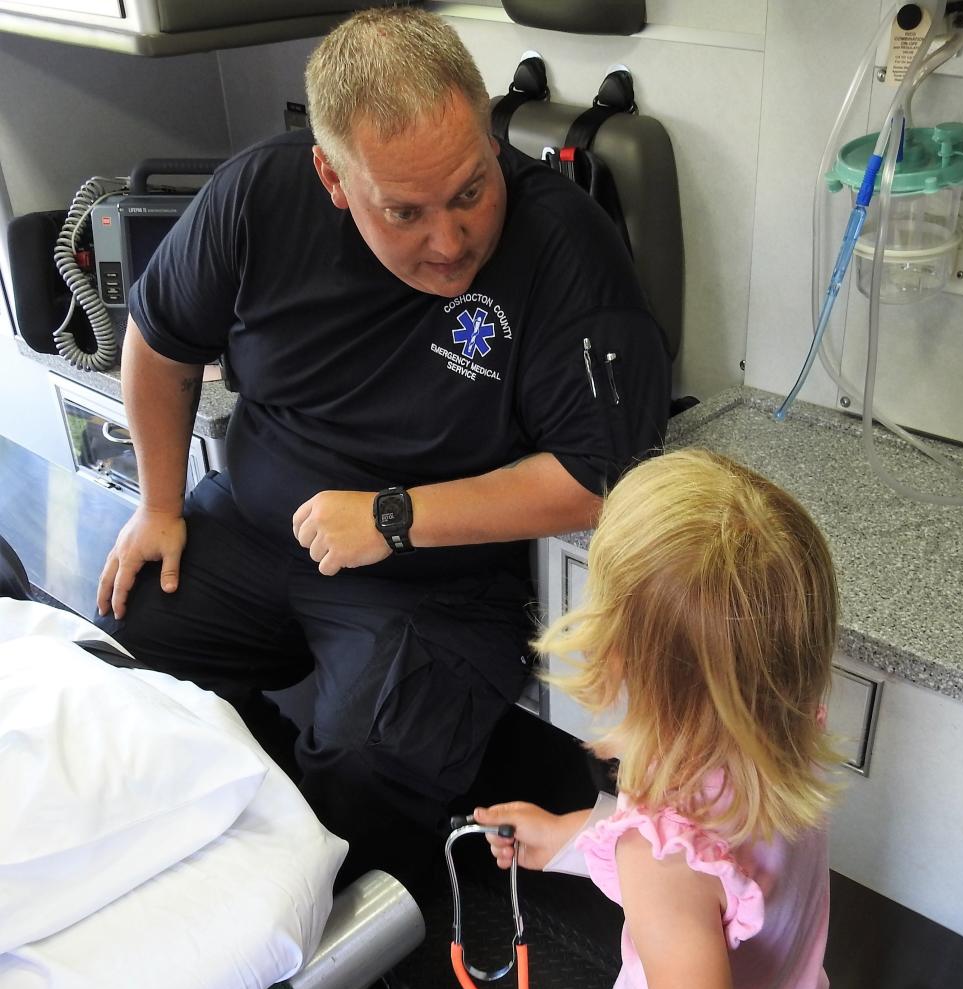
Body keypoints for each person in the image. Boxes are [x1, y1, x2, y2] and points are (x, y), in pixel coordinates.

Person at [93, 7, 671, 863]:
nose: (451, 241)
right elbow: (160, 341)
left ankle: (362, 909)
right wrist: (160, 504)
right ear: (332, 176)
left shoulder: (566, 251)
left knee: (367, 767)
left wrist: (394, 518)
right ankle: (256, 827)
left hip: (437, 578)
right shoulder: (260, 193)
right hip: (256, 525)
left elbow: (598, 474)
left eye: (472, 190)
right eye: (404, 212)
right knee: (123, 646)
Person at [473, 448, 842, 989]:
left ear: (615, 651)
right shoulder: (785, 732)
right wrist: (577, 835)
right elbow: (714, 877)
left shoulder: (662, 856)